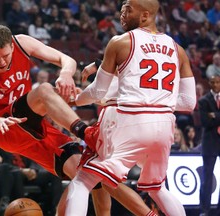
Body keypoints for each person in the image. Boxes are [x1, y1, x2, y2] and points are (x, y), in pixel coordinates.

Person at [0, 24, 154, 216]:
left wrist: (66, 75)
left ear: (12, 46)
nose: (1, 62)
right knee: (43, 90)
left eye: (5, 56)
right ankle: (84, 132)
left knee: (91, 172)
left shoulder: (22, 43)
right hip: (5, 126)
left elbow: (66, 59)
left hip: (35, 125)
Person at [65, 1, 196, 216]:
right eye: (122, 9)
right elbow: (189, 103)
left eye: (128, 9)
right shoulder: (178, 49)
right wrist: (159, 100)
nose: (122, 14)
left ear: (145, 15)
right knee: (157, 188)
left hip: (131, 121)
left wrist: (75, 100)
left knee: (83, 181)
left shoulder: (120, 42)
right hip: (164, 127)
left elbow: (98, 93)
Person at [198, 75, 220, 216]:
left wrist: (215, 116)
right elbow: (206, 122)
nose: (216, 84)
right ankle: (204, 210)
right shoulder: (203, 101)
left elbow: (212, 119)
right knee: (207, 179)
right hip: (210, 143)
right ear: (209, 84)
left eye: (218, 82)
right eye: (213, 82)